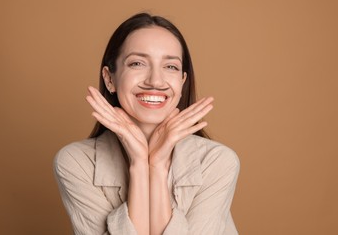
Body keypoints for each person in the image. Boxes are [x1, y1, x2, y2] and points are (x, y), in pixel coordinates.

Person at [53, 13, 240, 235]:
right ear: (109, 78)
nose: (155, 81)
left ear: (182, 82)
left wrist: (158, 166)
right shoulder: (75, 162)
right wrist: (140, 165)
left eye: (170, 66)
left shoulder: (217, 162)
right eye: (137, 63)